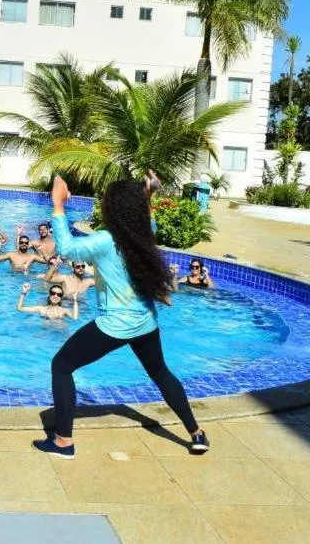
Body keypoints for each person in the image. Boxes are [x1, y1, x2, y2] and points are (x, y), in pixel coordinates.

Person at [32, 175, 208, 459]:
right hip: (146, 321)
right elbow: (148, 219)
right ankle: (196, 434)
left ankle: (63, 442)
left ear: (113, 208)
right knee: (161, 373)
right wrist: (147, 195)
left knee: (61, 366)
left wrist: (58, 205)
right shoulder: (143, 233)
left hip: (115, 324)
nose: (102, 203)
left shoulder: (104, 241)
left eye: (105, 200)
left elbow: (66, 249)